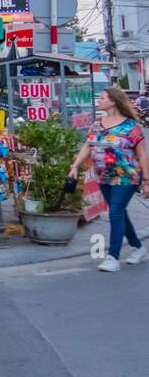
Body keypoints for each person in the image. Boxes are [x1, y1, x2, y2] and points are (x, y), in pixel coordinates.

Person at [68, 86, 148, 272]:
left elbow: (142, 155)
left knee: (116, 213)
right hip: (104, 176)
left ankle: (113, 257)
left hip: (126, 177)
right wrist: (75, 166)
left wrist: (147, 181)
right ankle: (138, 248)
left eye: (103, 98)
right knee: (119, 213)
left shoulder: (131, 127)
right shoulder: (97, 124)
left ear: (113, 101)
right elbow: (88, 146)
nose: (99, 100)